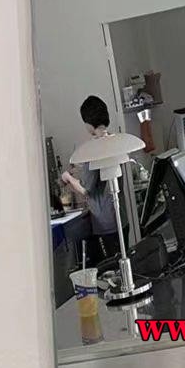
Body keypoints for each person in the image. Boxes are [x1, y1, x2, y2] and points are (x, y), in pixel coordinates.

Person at [61, 95, 123, 266]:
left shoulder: (93, 149)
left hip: (105, 221)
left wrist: (68, 178)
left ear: (88, 122)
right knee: (122, 261)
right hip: (120, 217)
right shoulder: (116, 141)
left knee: (110, 268)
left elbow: (86, 189)